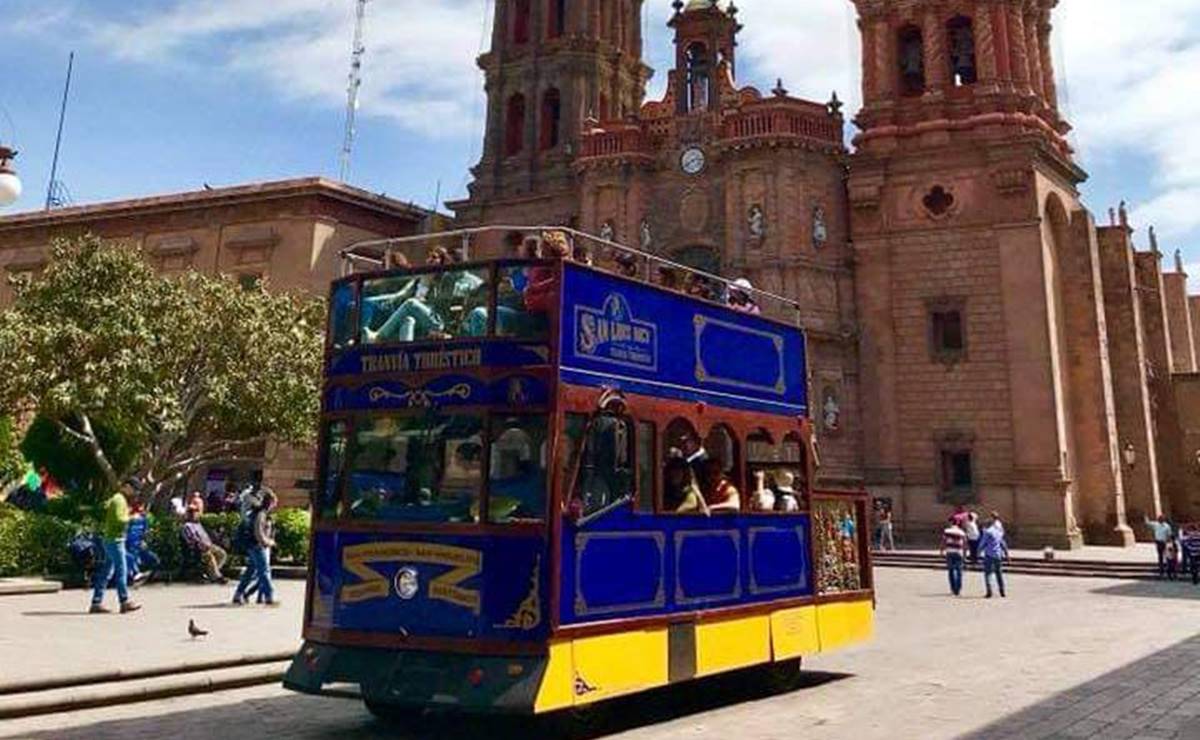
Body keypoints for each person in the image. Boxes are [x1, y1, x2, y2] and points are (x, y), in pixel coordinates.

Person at [89, 484, 142, 614]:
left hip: (112, 539)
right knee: (121, 571)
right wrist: (131, 518)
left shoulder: (119, 499)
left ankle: (96, 602)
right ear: (127, 487)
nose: (135, 493)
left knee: (106, 572)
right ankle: (124, 601)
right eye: (134, 489)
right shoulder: (119, 500)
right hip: (115, 541)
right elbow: (119, 519)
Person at [233, 488, 278, 606]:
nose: (274, 506)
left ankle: (238, 594)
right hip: (257, 546)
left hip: (253, 545)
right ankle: (269, 597)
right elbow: (259, 533)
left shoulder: (258, 513)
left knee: (250, 571)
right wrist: (268, 543)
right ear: (270, 503)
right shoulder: (261, 514)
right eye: (274, 503)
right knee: (264, 571)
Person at [181, 508, 228, 584]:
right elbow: (191, 539)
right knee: (209, 556)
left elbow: (205, 536)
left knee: (222, 554)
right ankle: (217, 576)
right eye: (192, 513)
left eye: (196, 513)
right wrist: (202, 545)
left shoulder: (199, 524)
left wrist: (210, 543)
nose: (194, 514)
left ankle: (212, 573)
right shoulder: (187, 526)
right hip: (198, 548)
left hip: (209, 545)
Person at [124, 502, 160, 585]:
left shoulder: (143, 519)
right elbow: (126, 531)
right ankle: (134, 577)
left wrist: (144, 540)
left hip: (139, 544)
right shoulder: (129, 519)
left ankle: (145, 577)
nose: (141, 509)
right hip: (130, 544)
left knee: (154, 559)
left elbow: (145, 532)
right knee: (131, 559)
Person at [977, 514, 1009, 598]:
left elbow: (983, 543)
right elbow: (1002, 543)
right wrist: (1006, 554)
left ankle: (989, 591)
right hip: (998, 554)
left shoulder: (987, 532)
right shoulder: (998, 532)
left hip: (989, 554)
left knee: (988, 573)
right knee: (999, 573)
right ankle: (1002, 591)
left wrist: (978, 551)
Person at [941, 518, 968, 596]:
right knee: (959, 571)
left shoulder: (947, 531)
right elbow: (965, 544)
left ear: (951, 523)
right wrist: (965, 554)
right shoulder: (961, 532)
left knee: (951, 571)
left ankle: (953, 588)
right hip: (958, 552)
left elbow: (943, 541)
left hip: (949, 552)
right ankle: (958, 589)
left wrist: (942, 550)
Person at [1145, 514, 1174, 578]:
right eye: (1159, 519)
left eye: (1161, 519)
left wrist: (1170, 543)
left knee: (1167, 556)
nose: (1159, 520)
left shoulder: (1167, 526)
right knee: (1160, 556)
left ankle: (1168, 570)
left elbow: (1169, 535)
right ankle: (1161, 570)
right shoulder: (1156, 525)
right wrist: (1145, 517)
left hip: (1165, 542)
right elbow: (1148, 523)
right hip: (1158, 542)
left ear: (1163, 520)